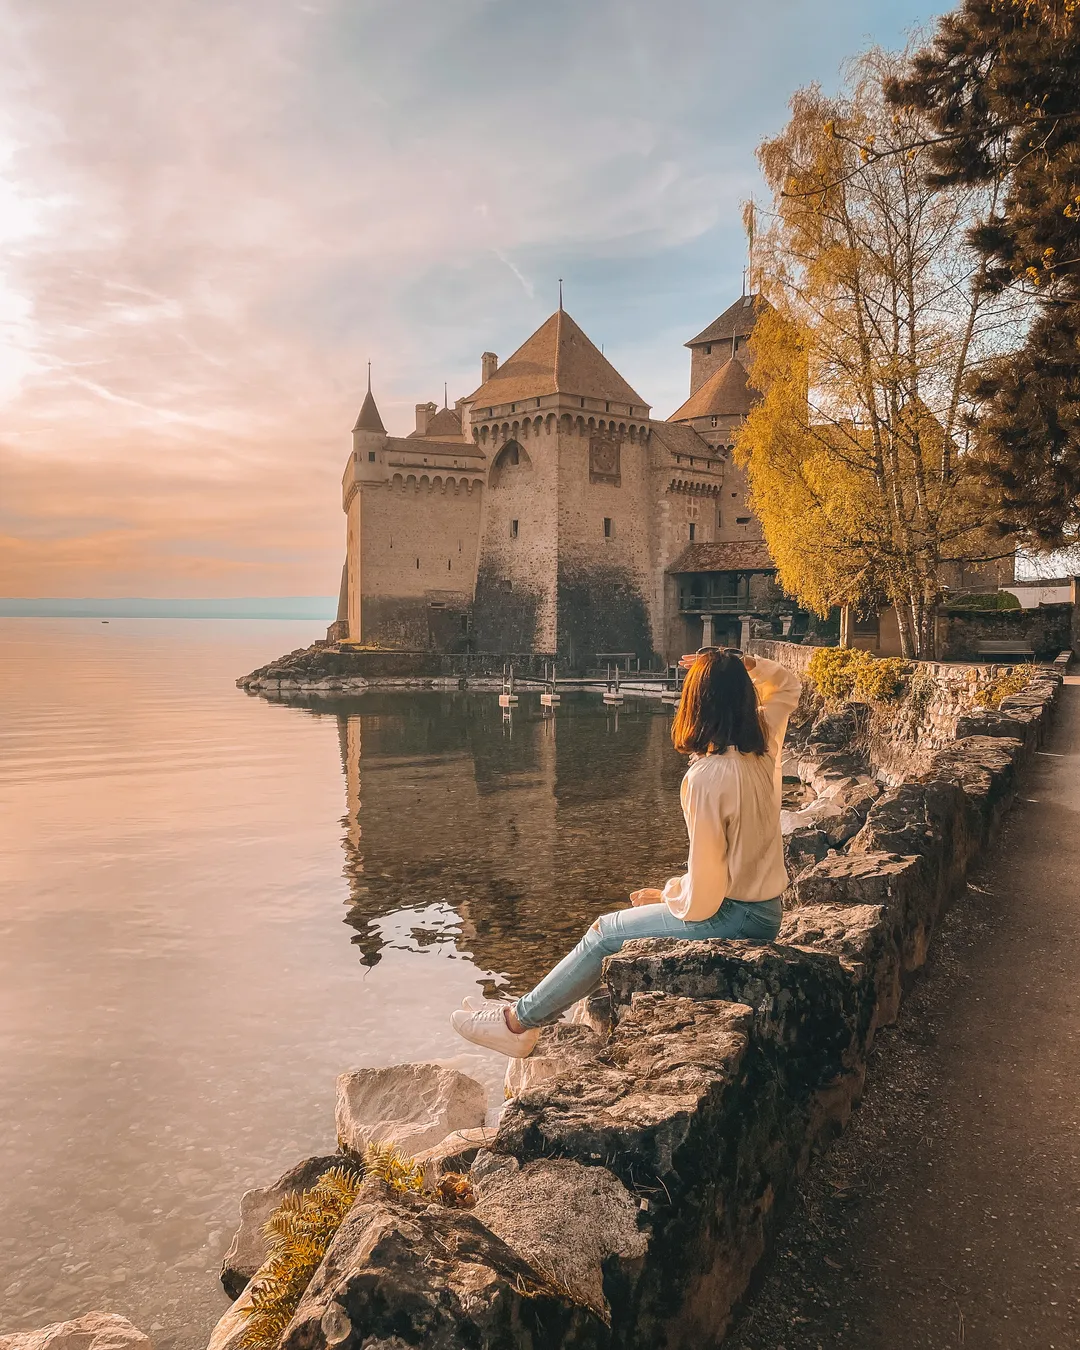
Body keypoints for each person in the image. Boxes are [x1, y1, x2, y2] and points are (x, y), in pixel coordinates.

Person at [450, 648, 803, 1057]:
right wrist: (744, 665)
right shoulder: (763, 749)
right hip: (765, 909)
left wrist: (670, 894)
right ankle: (520, 1015)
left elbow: (707, 895)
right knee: (627, 921)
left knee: (605, 932)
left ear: (694, 703)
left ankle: (517, 1024)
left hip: (736, 917)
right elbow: (788, 686)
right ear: (744, 698)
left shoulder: (707, 777)